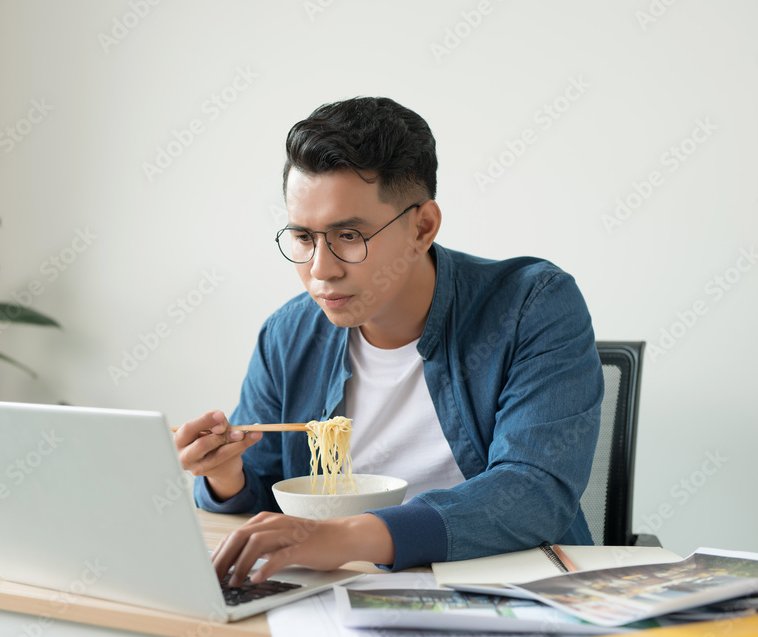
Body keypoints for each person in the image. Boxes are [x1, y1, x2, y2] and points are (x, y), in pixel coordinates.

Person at [174, 96, 604, 587]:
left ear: (422, 227)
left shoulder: (533, 305)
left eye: (350, 235)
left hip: (517, 593)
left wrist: (343, 537)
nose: (320, 270)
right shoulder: (289, 334)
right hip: (339, 589)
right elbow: (261, 495)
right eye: (303, 238)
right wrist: (225, 474)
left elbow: (533, 491)